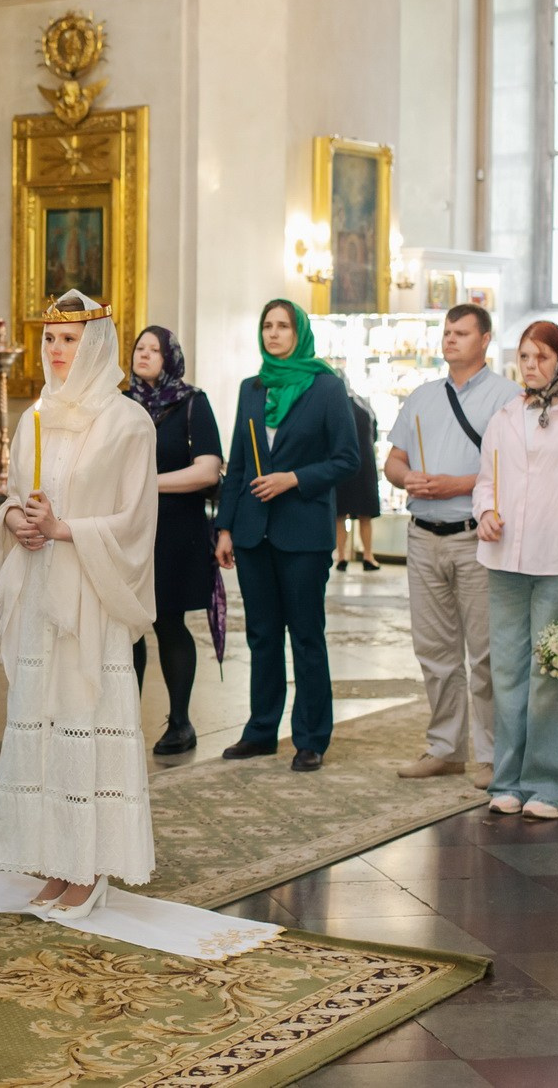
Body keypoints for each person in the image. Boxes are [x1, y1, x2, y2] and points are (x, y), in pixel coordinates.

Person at [0, 291, 157, 917]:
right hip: (39, 592)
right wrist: (17, 522)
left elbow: (136, 520)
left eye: (70, 341)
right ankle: (56, 863)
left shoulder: (128, 422)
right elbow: (13, 495)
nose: (57, 352)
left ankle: (89, 870)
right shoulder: (35, 416)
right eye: (50, 340)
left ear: (98, 347)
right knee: (44, 721)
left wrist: (64, 530)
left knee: (85, 720)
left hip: (90, 593)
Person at [214, 299, 361, 770]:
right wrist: (225, 527)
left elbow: (347, 459)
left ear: (299, 332)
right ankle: (261, 731)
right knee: (261, 636)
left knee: (305, 636)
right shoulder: (251, 389)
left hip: (304, 531)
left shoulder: (326, 388)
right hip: (254, 533)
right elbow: (238, 463)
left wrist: (294, 478)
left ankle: (311, 737)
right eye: (267, 326)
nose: (274, 334)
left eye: (283, 326)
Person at [474, 321, 558, 820]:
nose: (532, 366)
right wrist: (486, 511)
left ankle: (555, 785)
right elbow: (487, 479)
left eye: (542, 358)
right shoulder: (505, 416)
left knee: (555, 675)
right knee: (508, 673)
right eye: (525, 357)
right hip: (506, 563)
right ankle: (508, 779)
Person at [383, 304, 521, 787]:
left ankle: (490, 753)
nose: (450, 340)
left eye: (461, 333)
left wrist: (455, 485)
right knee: (434, 649)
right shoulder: (422, 395)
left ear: (485, 339)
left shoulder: (508, 397)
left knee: (484, 652)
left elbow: (512, 471)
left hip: (474, 537)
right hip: (423, 535)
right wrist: (409, 479)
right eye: (446, 332)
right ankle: (445, 747)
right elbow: (393, 460)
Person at [126, 324, 222, 756]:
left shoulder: (191, 403)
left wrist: (149, 483)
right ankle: (124, 720)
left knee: (168, 621)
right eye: (139, 348)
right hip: (127, 528)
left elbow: (207, 470)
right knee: (127, 625)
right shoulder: (120, 404)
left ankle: (180, 722)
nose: (144, 354)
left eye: (154, 349)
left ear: (171, 359)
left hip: (176, 528)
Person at [334, 391, 382, 572]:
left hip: (342, 462)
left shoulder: (337, 405)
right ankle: (368, 555)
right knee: (365, 514)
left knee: (340, 514)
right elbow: (374, 433)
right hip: (365, 462)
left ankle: (341, 557)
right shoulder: (365, 405)